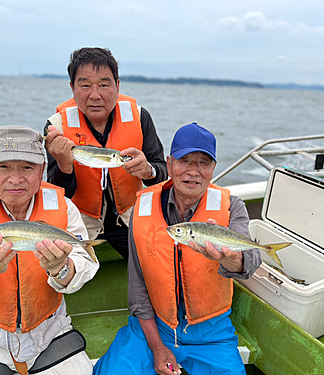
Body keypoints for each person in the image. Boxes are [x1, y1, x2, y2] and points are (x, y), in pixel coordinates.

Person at [93, 122, 262, 375]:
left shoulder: (231, 206)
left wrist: (230, 259)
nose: (193, 171)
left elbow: (250, 259)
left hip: (211, 332)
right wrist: (157, 347)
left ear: (213, 169)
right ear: (169, 164)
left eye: (203, 163)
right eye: (185, 161)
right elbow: (138, 289)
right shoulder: (141, 208)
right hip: (154, 324)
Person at [0, 125, 99, 375]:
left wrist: (60, 268)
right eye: (3, 167)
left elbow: (82, 271)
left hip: (51, 331)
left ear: (42, 169)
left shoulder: (64, 208)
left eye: (27, 168)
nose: (15, 179)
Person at [43, 47, 167, 261]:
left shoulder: (139, 117)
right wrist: (64, 166)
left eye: (103, 85)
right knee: (54, 266)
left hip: (128, 217)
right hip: (79, 219)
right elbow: (57, 193)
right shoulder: (57, 127)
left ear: (117, 86)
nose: (95, 95)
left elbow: (162, 173)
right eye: (85, 85)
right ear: (72, 88)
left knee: (158, 261)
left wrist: (148, 170)